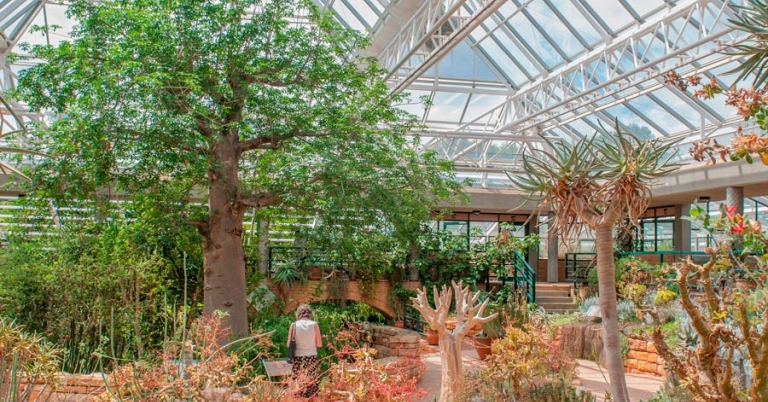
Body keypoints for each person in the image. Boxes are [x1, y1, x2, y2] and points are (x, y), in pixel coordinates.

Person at [288, 304, 322, 400]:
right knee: (314, 389)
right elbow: (319, 344)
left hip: (298, 359)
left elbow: (288, 344)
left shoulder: (293, 325)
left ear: (298, 314)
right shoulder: (314, 324)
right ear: (309, 314)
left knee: (299, 389)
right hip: (311, 359)